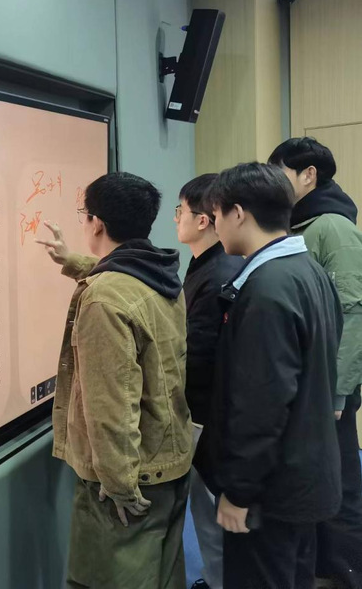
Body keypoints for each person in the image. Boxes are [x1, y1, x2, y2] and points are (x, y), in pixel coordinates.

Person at [37, 172, 192, 589]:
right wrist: (72, 262)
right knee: (164, 576)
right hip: (169, 459)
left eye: (84, 214)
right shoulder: (161, 275)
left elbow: (110, 406)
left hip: (130, 480)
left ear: (97, 223)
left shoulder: (104, 300)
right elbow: (123, 279)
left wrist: (119, 484)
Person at [194, 162, 343, 589]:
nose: (215, 226)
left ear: (238, 213)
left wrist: (240, 491)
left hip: (270, 490)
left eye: (217, 215)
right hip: (302, 475)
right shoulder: (307, 268)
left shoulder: (265, 288)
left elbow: (261, 403)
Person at [269, 137, 362, 589]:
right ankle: (325, 569)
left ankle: (347, 573)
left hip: (331, 386)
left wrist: (339, 390)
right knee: (316, 482)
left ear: (309, 175)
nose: (274, 182)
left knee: (341, 483)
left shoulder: (333, 226)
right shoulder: (301, 221)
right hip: (311, 382)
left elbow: (354, 310)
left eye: (281, 172)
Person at [175, 174, 244, 589]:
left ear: (204, 220)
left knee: (211, 513)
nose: (176, 219)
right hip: (206, 412)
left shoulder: (219, 271)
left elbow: (198, 355)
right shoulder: (207, 264)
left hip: (206, 416)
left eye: (180, 211)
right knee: (207, 515)